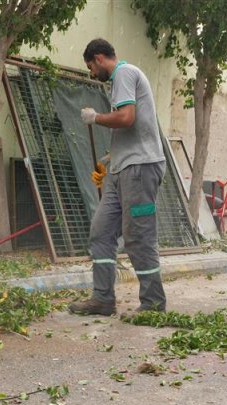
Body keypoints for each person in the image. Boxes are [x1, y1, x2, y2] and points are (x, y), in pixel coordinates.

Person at [68, 38, 167, 316]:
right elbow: (134, 127)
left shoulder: (124, 73)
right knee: (101, 232)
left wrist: (96, 118)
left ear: (99, 58)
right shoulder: (121, 80)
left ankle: (153, 304)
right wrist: (111, 158)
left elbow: (126, 118)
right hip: (123, 168)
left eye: (90, 67)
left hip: (141, 169)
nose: (91, 74)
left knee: (138, 235)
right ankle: (103, 299)